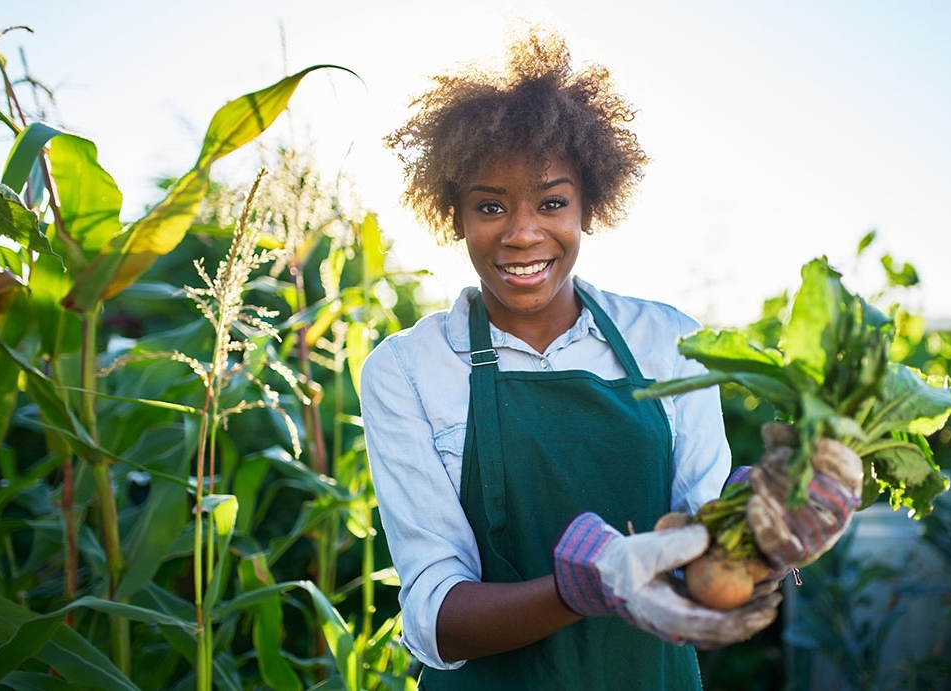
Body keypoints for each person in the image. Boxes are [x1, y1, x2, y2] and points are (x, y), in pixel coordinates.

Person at [360, 28, 861, 689]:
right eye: (489, 206)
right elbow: (436, 615)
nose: (521, 232)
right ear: (454, 215)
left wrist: (771, 535)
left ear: (590, 203)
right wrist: (581, 586)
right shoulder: (408, 370)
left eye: (551, 202)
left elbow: (707, 560)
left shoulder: (669, 343)